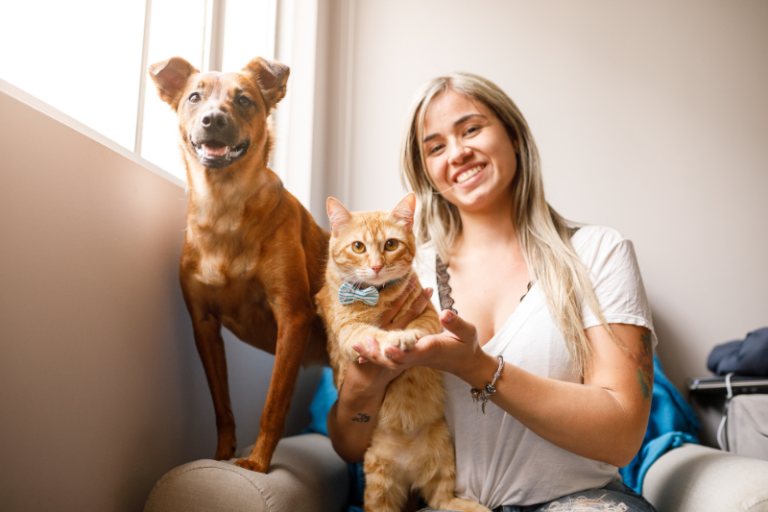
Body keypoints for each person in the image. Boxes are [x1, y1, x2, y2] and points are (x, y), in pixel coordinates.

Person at [326, 73, 658, 512]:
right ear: (426, 170)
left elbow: (622, 438)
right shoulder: (395, 272)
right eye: (436, 146)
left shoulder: (597, 252)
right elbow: (351, 445)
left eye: (471, 129)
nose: (458, 152)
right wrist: (368, 382)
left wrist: (478, 367)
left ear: (514, 135)